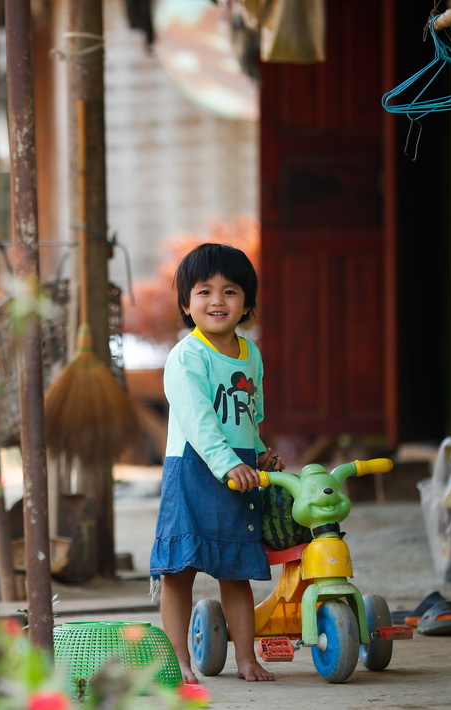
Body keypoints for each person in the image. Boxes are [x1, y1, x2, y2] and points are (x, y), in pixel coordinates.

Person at [149, 242, 285, 683]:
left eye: (230, 291)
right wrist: (228, 465)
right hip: (193, 469)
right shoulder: (188, 356)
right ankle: (179, 661)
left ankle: (246, 658)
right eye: (204, 291)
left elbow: (248, 414)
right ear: (186, 304)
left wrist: (258, 452)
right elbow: (199, 420)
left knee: (236, 568)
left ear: (247, 302)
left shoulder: (251, 354)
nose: (217, 301)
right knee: (180, 569)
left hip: (239, 470)